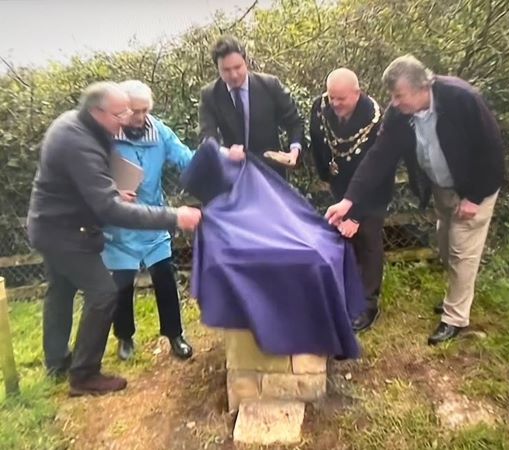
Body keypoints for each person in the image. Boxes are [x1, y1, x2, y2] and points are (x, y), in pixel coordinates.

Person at [27, 81, 202, 396]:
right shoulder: (79, 141)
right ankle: (84, 374)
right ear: (98, 111)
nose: (126, 119)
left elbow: (89, 187)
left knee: (61, 293)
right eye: (120, 112)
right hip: (65, 233)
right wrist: (174, 216)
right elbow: (108, 208)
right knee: (105, 292)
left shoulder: (78, 127)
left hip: (52, 226)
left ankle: (58, 362)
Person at [325, 55, 505, 345]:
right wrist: (349, 201)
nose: (394, 103)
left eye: (399, 96)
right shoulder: (400, 115)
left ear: (423, 87)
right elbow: (378, 157)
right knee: (446, 247)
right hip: (441, 187)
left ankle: (455, 318)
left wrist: (474, 197)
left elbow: (493, 150)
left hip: (475, 187)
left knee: (462, 252)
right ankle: (458, 295)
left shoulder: (462, 99)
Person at [102, 80, 241, 361]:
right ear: (121, 110)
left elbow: (186, 158)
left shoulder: (159, 132)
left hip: (153, 218)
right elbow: (92, 174)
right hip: (121, 223)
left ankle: (175, 335)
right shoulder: (107, 136)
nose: (140, 117)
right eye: (134, 112)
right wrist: (111, 190)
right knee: (123, 283)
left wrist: (220, 157)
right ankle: (125, 338)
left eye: (144, 111)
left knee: (165, 276)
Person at [310, 68, 394, 332]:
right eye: (331, 97)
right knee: (345, 240)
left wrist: (357, 214)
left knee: (368, 240)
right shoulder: (321, 107)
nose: (335, 104)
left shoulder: (375, 119)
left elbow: (379, 169)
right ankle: (348, 294)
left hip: (373, 189)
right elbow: (317, 140)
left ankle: (369, 305)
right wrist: (326, 174)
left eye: (341, 99)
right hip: (341, 183)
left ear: (357, 93)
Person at [198, 35, 304, 177]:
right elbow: (206, 137)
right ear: (217, 68)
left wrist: (294, 151)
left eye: (237, 67)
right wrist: (226, 152)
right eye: (226, 70)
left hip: (270, 172)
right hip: (232, 173)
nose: (234, 75)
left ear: (246, 61)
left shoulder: (270, 85)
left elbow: (295, 122)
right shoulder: (210, 95)